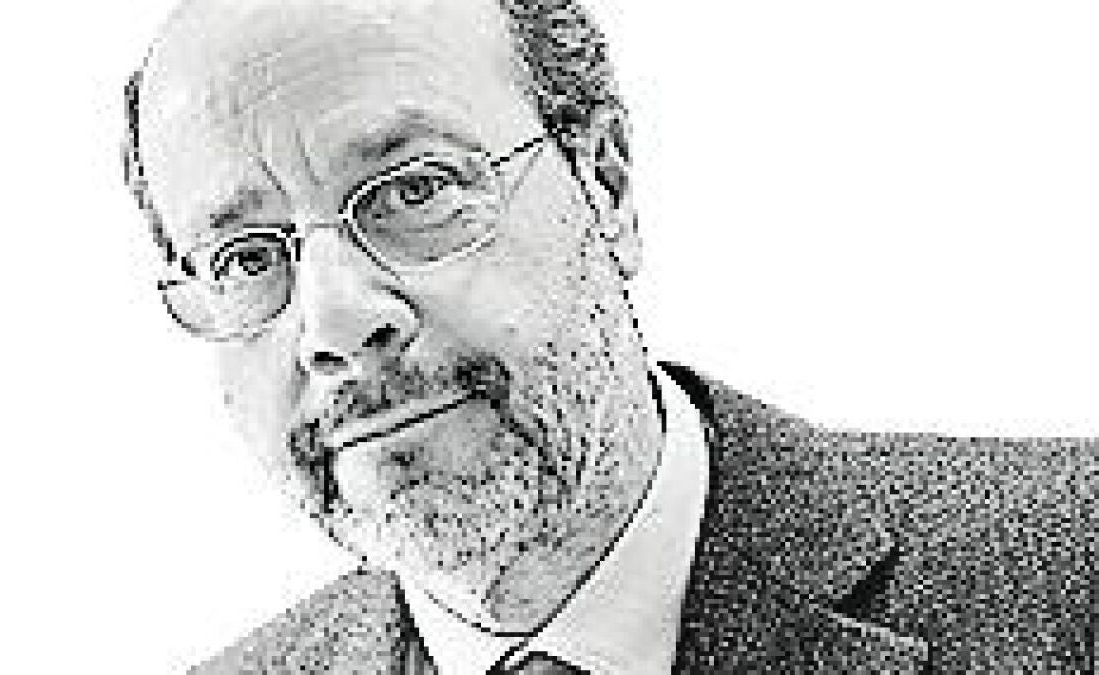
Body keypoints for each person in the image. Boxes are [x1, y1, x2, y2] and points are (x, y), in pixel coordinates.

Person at [122, 0, 1095, 671]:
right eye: (244, 258)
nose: (333, 322)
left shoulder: (1071, 569)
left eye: (414, 190)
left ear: (605, 183)